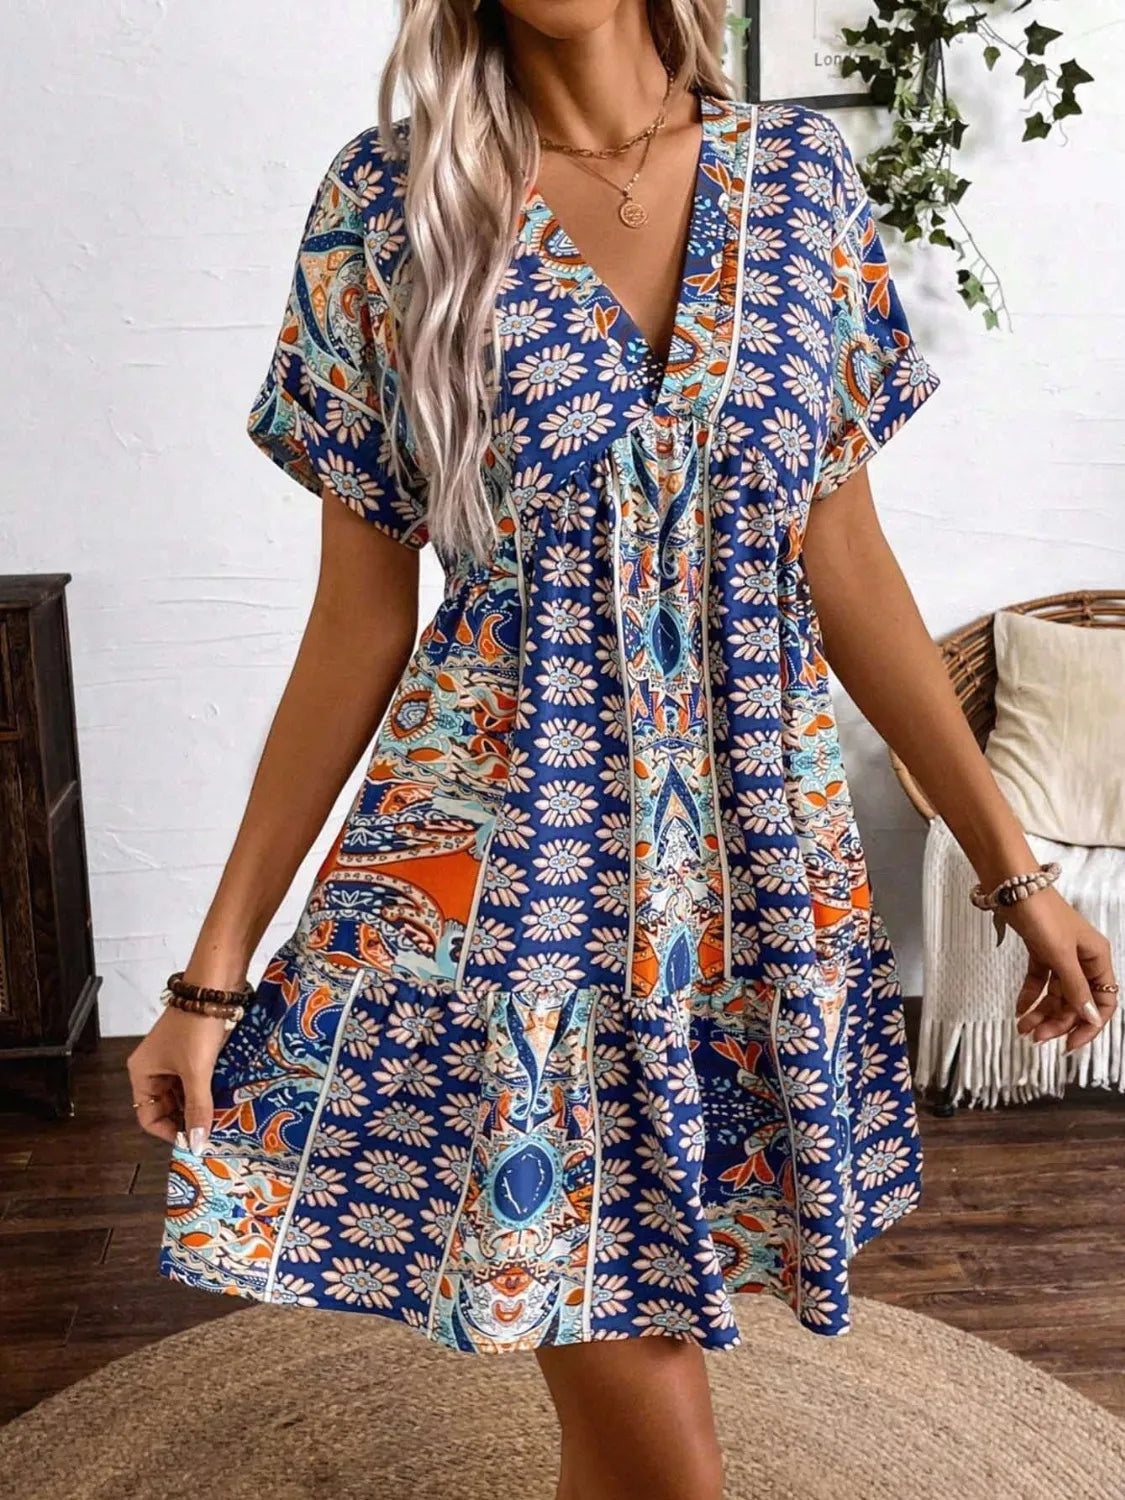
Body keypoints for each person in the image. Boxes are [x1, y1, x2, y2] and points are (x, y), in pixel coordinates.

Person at [127, 3, 1119, 1496]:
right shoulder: (389, 202)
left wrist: (1012, 871)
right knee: (665, 1455)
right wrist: (213, 974)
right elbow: (354, 624)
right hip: (507, 886)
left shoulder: (800, 184)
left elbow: (847, 565)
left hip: (747, 890)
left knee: (629, 1423)